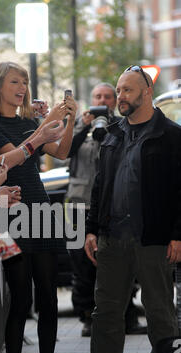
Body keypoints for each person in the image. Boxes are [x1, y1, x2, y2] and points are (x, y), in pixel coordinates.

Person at [71, 66, 181, 353]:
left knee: (160, 312)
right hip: (112, 238)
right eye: (118, 90)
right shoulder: (114, 133)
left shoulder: (171, 135)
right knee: (105, 313)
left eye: (127, 90)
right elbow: (99, 184)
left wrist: (177, 235)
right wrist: (91, 229)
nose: (120, 97)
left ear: (146, 92)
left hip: (154, 238)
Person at [0, 61, 77, 353]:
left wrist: (67, 123)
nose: (21, 87)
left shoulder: (28, 122)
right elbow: (8, 160)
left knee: (49, 298)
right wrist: (41, 132)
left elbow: (62, 153)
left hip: (42, 210)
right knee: (22, 300)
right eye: (15, 81)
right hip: (12, 213)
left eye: (25, 82)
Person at [66, 83, 146, 336]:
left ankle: (127, 315)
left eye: (108, 97)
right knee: (82, 264)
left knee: (121, 260)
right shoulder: (79, 125)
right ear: (91, 100)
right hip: (80, 204)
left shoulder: (123, 126)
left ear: (114, 101)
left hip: (113, 204)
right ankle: (88, 317)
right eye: (98, 97)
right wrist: (83, 127)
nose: (103, 100)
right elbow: (63, 153)